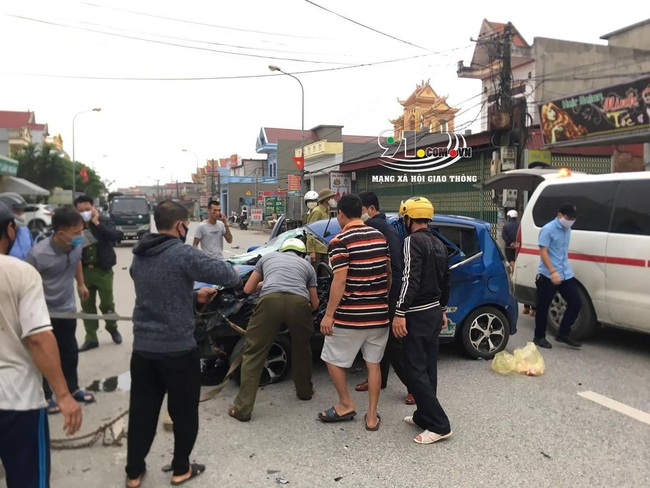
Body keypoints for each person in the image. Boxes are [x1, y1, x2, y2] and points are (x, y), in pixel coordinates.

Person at [126, 200, 240, 488]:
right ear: (180, 225)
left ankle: (133, 473)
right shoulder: (182, 253)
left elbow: (158, 293)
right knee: (184, 412)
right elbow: (230, 276)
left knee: (142, 412)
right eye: (186, 226)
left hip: (143, 350)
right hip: (177, 350)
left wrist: (192, 296)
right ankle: (181, 469)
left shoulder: (141, 254)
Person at [0, 202, 82, 488]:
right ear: (10, 230)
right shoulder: (21, 271)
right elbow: (37, 337)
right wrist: (63, 395)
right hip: (16, 400)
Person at [318, 194, 391, 432]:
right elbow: (388, 272)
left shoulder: (339, 240)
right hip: (379, 314)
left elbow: (339, 280)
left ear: (340, 213)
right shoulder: (380, 237)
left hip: (350, 316)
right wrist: (381, 297)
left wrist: (329, 314)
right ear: (361, 212)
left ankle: (345, 404)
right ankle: (371, 417)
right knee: (373, 364)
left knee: (332, 358)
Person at [228, 237, 319, 422]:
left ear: (282, 250)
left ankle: (243, 409)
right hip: (299, 303)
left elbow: (248, 289)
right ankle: (305, 392)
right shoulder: (307, 266)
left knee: (254, 352)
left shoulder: (268, 258)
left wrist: (269, 282)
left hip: (269, 302)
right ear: (301, 254)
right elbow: (315, 302)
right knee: (302, 347)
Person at [393, 196, 452, 445]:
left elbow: (409, 279)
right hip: (433, 312)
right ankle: (423, 416)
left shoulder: (410, 241)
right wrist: (442, 309)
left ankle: (439, 424)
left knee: (414, 369)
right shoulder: (439, 243)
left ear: (408, 218)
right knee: (428, 367)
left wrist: (399, 312)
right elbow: (446, 279)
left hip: (416, 313)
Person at [25, 206, 96, 414]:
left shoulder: (78, 244)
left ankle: (72, 389)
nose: (80, 237)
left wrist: (81, 284)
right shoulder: (37, 254)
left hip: (67, 309)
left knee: (69, 351)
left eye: (81, 231)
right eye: (75, 233)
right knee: (45, 354)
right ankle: (45, 395)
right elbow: (26, 283)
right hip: (43, 313)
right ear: (60, 233)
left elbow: (77, 262)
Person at [354, 191, 413, 405]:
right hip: (386, 292)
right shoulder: (385, 225)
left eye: (360, 211)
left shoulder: (375, 227)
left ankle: (413, 387)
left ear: (371, 209)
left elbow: (394, 268)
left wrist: (393, 301)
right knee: (381, 341)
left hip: (387, 293)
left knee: (393, 345)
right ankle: (378, 380)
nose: (358, 216)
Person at [74, 195, 122, 352]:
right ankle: (91, 337)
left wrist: (96, 223)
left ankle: (112, 327)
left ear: (93, 207)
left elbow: (116, 237)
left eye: (87, 210)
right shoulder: (74, 224)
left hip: (103, 271)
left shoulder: (104, 220)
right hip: (84, 270)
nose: (84, 213)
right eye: (80, 211)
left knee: (107, 304)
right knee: (87, 305)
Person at [533, 202, 582, 349]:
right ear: (559, 215)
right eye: (569, 217)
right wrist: (553, 271)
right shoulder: (548, 230)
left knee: (576, 302)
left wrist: (561, 271)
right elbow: (543, 252)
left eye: (574, 218)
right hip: (548, 275)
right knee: (543, 306)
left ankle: (563, 333)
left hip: (565, 273)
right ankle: (539, 336)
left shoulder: (568, 229)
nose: (571, 220)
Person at [306, 188, 337, 270]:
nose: (333, 200)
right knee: (317, 274)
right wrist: (311, 251)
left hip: (324, 249)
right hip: (317, 250)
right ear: (326, 199)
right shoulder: (318, 211)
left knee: (324, 275)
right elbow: (310, 231)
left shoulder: (326, 211)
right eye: (331, 198)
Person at [0, 192, 33, 260]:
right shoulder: (2, 235)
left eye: (22, 211)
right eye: (17, 211)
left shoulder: (25, 230)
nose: (22, 215)